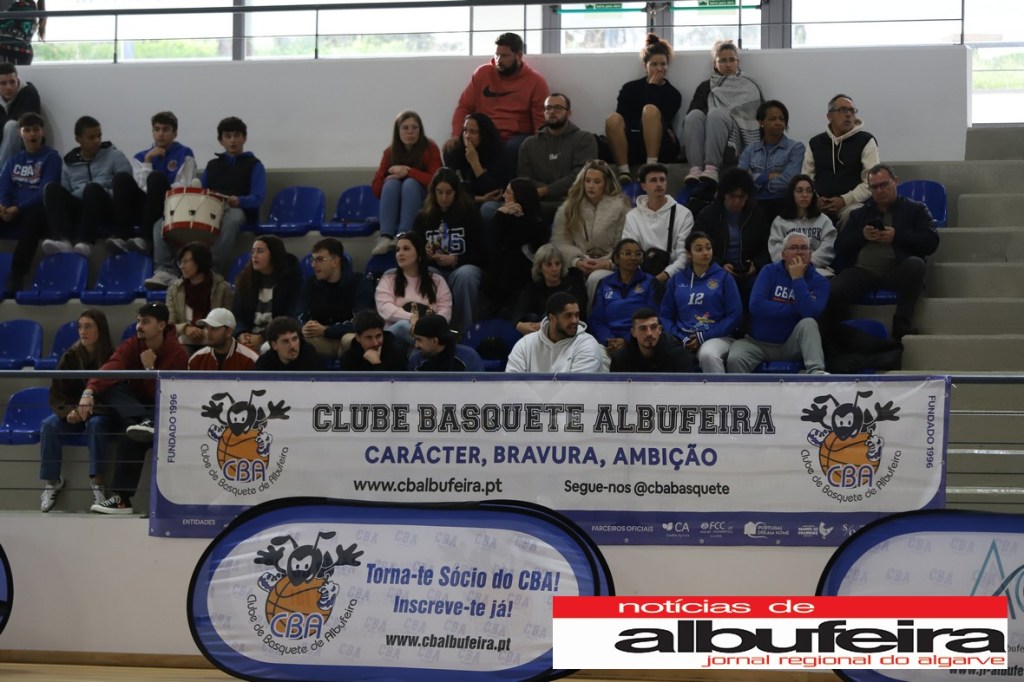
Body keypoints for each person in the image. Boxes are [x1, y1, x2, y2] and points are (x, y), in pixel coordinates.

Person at [82, 302, 189, 515]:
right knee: (112, 390)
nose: (139, 326)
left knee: (131, 434)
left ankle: (124, 499)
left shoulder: (178, 353)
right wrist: (89, 391)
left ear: (161, 325)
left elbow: (170, 395)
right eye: (138, 321)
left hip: (165, 412)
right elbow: (111, 366)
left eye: (145, 322)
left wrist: (150, 369)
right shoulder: (133, 344)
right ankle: (122, 502)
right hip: (136, 411)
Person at [146, 116, 264, 288]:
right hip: (211, 208)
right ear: (221, 140)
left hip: (237, 209)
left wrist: (239, 201)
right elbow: (200, 191)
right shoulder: (213, 165)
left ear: (244, 138)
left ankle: (209, 270)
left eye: (237, 136)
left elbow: (258, 198)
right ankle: (165, 271)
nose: (232, 140)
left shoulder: (255, 165)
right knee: (161, 223)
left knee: (233, 219)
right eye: (228, 136)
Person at [826, 163, 939, 341]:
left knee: (916, 265)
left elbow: (931, 242)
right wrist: (862, 236)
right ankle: (843, 334)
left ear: (896, 182)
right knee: (833, 290)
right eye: (875, 187)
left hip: (897, 270)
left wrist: (897, 236)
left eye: (884, 185)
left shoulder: (916, 209)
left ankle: (902, 324)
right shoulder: (859, 214)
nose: (880, 191)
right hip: (862, 272)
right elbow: (840, 247)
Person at [38, 309, 115, 513]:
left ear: (100, 329)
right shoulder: (70, 356)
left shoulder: (112, 356)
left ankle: (98, 483)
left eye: (88, 327)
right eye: (80, 327)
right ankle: (52, 482)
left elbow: (116, 393)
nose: (82, 331)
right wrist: (70, 411)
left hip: (100, 413)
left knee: (96, 425)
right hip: (73, 413)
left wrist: (89, 410)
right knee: (48, 425)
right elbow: (58, 393)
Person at [449, 32, 549, 178]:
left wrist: (539, 149)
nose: (499, 60)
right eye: (497, 55)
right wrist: (456, 135)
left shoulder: (535, 82)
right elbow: (464, 107)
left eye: (505, 56)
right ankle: (463, 189)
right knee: (451, 150)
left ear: (519, 56)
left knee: (511, 149)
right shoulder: (482, 73)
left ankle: (502, 189)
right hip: (482, 135)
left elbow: (541, 123)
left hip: (513, 138)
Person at [726, 232, 829, 374]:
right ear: (783, 254)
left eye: (804, 248)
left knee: (809, 323)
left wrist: (797, 279)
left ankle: (817, 373)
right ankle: (741, 390)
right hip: (758, 343)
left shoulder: (820, 281)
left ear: (810, 254)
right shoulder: (768, 271)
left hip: (792, 345)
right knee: (734, 359)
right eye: (793, 248)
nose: (799, 252)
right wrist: (797, 308)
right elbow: (756, 306)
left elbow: (811, 313)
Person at [39, 115, 130, 257]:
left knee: (92, 188)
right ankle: (62, 240)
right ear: (78, 139)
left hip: (107, 205)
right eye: (91, 137)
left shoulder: (114, 156)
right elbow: (66, 191)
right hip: (82, 207)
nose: (97, 141)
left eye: (99, 136)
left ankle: (86, 242)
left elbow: (125, 187)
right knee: (51, 189)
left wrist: (105, 192)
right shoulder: (69, 163)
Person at [108, 110, 197, 254]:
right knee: (121, 178)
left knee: (155, 178)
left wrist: (157, 186)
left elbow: (184, 185)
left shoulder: (185, 153)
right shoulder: (141, 156)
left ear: (175, 133)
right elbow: (140, 186)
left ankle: (146, 239)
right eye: (157, 129)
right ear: (152, 132)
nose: (160, 134)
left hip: (170, 205)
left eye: (166, 130)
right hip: (144, 205)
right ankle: (122, 236)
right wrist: (148, 161)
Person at [413, 168, 484, 336]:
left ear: (456, 192)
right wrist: (424, 254)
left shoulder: (470, 214)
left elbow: (482, 252)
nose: (443, 198)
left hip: (463, 266)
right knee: (428, 275)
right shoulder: (423, 217)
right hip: (435, 268)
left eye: (448, 193)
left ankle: (465, 332)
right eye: (439, 192)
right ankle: (432, 333)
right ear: (433, 192)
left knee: (465, 276)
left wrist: (456, 259)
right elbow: (413, 253)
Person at [683, 39, 763, 185]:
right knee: (694, 116)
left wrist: (721, 113)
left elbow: (755, 115)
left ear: (738, 62)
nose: (728, 65)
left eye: (732, 60)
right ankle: (695, 169)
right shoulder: (706, 86)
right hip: (708, 135)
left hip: (735, 138)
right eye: (722, 60)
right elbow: (691, 114)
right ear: (715, 64)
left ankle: (712, 168)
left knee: (716, 114)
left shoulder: (749, 85)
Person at [659, 231, 742, 373]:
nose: (705, 253)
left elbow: (735, 315)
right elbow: (665, 316)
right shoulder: (676, 280)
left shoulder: (724, 278)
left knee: (707, 354)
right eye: (699, 249)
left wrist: (703, 337)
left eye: (708, 248)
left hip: (718, 337)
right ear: (689, 254)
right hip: (683, 338)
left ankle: (718, 389)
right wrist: (682, 338)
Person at [551, 160, 632, 304]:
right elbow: (560, 242)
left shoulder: (621, 208)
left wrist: (608, 263)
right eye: (587, 181)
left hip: (611, 265)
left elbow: (625, 244)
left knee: (595, 278)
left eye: (596, 182)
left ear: (606, 184)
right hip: (578, 264)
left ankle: (589, 316)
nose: (591, 186)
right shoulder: (569, 207)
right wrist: (577, 261)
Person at [605, 33, 682, 184]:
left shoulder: (673, 94)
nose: (659, 69)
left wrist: (652, 88)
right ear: (645, 66)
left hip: (660, 145)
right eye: (654, 64)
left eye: (663, 64)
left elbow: (663, 121)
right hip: (632, 141)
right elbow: (622, 117)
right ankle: (624, 171)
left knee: (650, 110)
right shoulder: (629, 88)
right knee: (612, 118)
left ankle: (651, 167)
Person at [693, 167, 771, 310]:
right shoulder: (708, 215)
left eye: (741, 197)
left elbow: (766, 246)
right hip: (716, 271)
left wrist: (756, 264)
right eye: (732, 196)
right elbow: (696, 246)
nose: (737, 201)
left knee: (760, 293)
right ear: (723, 194)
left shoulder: (757, 214)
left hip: (750, 273)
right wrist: (719, 264)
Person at [515, 92, 597, 221]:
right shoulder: (529, 144)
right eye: (548, 108)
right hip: (539, 201)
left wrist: (545, 191)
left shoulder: (584, 139)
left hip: (573, 201)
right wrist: (548, 192)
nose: (552, 112)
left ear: (568, 113)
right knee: (505, 210)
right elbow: (525, 178)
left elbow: (581, 174)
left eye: (558, 108)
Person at [1, 111, 59, 291]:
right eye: (27, 130)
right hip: (13, 211)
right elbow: (4, 188)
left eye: (36, 129)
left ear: (42, 132)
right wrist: (4, 207)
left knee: (33, 216)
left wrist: (18, 208)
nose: (32, 134)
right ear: (20, 133)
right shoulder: (13, 161)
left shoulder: (51, 158)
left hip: (37, 213)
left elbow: (45, 191)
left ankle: (16, 275)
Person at [801, 94, 880, 227]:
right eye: (843, 110)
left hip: (853, 204)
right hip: (820, 203)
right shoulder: (815, 143)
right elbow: (806, 178)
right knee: (799, 214)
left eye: (852, 111)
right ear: (829, 116)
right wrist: (815, 200)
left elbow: (871, 182)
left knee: (852, 214)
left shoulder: (866, 140)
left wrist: (844, 200)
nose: (848, 114)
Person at [370, 110, 442, 256]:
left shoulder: (431, 148)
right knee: (391, 184)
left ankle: (404, 236)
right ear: (398, 131)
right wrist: (388, 173)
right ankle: (386, 236)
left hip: (424, 202)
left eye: (414, 127)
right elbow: (376, 190)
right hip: (396, 205)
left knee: (410, 184)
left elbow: (436, 182)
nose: (410, 132)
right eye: (405, 128)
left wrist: (408, 172)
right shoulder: (389, 152)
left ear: (420, 130)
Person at [298, 237, 374, 359]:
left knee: (350, 339)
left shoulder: (359, 282)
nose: (313, 265)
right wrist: (304, 327)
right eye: (313, 260)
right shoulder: (310, 283)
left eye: (320, 259)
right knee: (296, 339)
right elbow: (299, 312)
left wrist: (327, 330)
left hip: (348, 337)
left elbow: (362, 322)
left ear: (335, 261)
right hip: (322, 339)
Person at [374, 231, 453, 347]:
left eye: (406, 249)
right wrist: (411, 318)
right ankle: (434, 347)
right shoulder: (388, 279)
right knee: (402, 325)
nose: (400, 253)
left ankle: (427, 347)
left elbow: (445, 312)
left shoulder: (437, 281)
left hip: (430, 332)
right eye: (398, 250)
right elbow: (385, 309)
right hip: (394, 335)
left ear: (419, 252)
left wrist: (423, 325)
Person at [622, 163, 693, 286]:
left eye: (662, 180)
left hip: (673, 277)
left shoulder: (684, 214)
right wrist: (642, 279)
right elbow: (628, 252)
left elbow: (684, 256)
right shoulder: (632, 216)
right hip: (639, 275)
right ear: (643, 186)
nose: (659, 184)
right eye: (653, 180)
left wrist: (663, 276)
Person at [232, 235, 303, 354]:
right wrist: (241, 333)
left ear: (274, 255)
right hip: (250, 335)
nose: (254, 256)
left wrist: (262, 337)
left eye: (260, 251)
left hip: (277, 335)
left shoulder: (292, 281)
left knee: (266, 349)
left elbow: (289, 318)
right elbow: (237, 316)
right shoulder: (245, 280)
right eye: (253, 251)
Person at [488, 178, 549, 313]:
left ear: (520, 197)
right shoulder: (502, 217)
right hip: (501, 281)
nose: (504, 195)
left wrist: (520, 221)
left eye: (508, 192)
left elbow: (528, 247)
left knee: (513, 257)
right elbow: (494, 250)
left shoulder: (538, 221)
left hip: (529, 276)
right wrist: (499, 218)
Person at [505, 291, 605, 373]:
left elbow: (577, 388)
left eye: (577, 315)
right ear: (552, 318)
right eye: (568, 316)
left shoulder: (587, 345)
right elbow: (512, 382)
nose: (575, 321)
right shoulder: (526, 344)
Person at [737, 99, 804, 220]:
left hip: (781, 202)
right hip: (753, 203)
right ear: (761, 122)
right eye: (773, 119)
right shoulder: (750, 150)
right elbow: (740, 179)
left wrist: (757, 183)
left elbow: (790, 181)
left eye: (782, 119)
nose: (778, 123)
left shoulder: (795, 148)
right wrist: (768, 176)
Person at [589, 238, 657, 354]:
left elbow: (655, 318)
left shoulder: (650, 282)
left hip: (640, 342)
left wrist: (628, 341)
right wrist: (609, 341)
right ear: (616, 258)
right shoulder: (604, 283)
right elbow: (597, 320)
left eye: (638, 254)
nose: (633, 258)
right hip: (608, 344)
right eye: (627, 253)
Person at [166, 241, 232, 351]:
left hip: (215, 343)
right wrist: (185, 328)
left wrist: (208, 332)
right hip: (184, 341)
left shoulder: (222, 288)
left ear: (200, 261)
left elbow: (228, 322)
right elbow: (169, 325)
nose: (182, 266)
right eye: (180, 262)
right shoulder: (175, 289)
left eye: (186, 261)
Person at [510, 243, 588, 336]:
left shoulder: (574, 284)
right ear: (540, 268)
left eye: (557, 264)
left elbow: (577, 310)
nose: (554, 269)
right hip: (539, 333)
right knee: (531, 317)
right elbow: (519, 310)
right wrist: (519, 324)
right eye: (549, 265)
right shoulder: (533, 288)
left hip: (571, 331)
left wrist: (544, 325)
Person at [768, 174, 837, 276]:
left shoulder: (823, 220)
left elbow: (829, 247)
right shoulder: (780, 221)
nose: (805, 195)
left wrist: (808, 262)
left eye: (809, 191)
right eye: (799, 191)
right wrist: (793, 264)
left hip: (817, 269)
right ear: (792, 194)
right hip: (787, 271)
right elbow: (776, 249)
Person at [443, 112, 506, 205]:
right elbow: (452, 190)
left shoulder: (497, 152)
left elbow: (494, 192)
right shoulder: (453, 152)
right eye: (465, 130)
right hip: (464, 202)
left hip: (488, 203)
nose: (467, 136)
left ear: (484, 134)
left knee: (488, 207)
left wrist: (475, 163)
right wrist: (480, 199)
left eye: (473, 132)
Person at [610, 308, 693, 373]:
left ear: (660, 330)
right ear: (633, 332)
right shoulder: (621, 359)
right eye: (643, 328)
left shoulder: (677, 355)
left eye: (654, 327)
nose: (649, 333)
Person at [187, 308, 258, 371]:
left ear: (229, 332)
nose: (208, 333)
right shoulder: (196, 359)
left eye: (214, 328)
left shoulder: (251, 359)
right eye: (207, 328)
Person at [408, 313, 484, 372]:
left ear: (435, 341)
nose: (416, 345)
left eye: (419, 340)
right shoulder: (416, 360)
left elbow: (477, 385)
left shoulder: (468, 357)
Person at [338, 310, 408, 372]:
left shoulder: (396, 353)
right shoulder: (349, 359)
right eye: (369, 338)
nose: (375, 343)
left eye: (378, 336)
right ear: (358, 337)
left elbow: (395, 382)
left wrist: (377, 364)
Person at [0, 61, 41, 166]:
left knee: (12, 126)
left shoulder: (28, 93)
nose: (8, 87)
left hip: (24, 143)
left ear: (17, 80)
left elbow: (25, 123)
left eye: (12, 82)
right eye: (3, 83)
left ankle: (2, 171)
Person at [254, 316, 326, 371]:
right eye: (285, 341)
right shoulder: (264, 365)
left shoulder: (311, 359)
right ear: (274, 345)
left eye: (294, 339)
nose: (292, 346)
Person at [0, 0, 44, 65]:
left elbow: (5, 24)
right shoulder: (31, 6)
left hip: (15, 51)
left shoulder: (21, 6)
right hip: (21, 52)